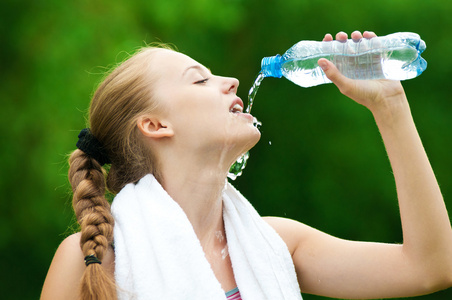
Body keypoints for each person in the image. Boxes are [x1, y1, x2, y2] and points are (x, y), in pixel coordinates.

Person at [41, 31, 452, 300]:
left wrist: (391, 106)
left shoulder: (277, 243)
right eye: (199, 80)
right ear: (155, 125)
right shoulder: (92, 262)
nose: (231, 82)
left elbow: (432, 266)